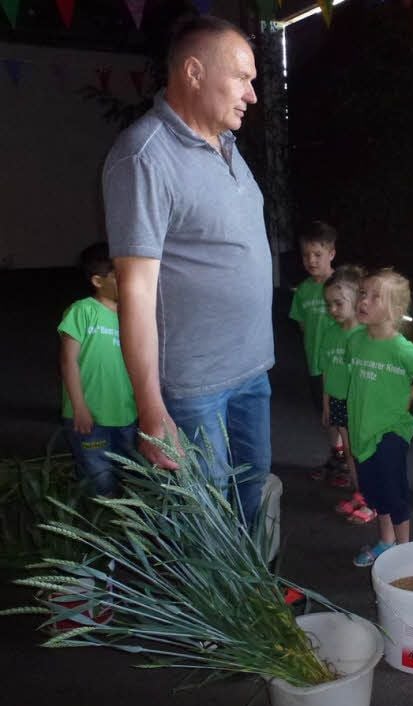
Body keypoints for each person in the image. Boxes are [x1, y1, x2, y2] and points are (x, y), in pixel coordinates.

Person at [102, 15, 272, 526]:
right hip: (194, 386)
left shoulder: (227, 145)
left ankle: (250, 598)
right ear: (194, 72)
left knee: (249, 489)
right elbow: (134, 291)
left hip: (251, 372)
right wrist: (152, 410)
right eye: (242, 78)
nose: (253, 95)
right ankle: (221, 603)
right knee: (205, 521)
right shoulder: (144, 157)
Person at [347, 269, 413, 567]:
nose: (364, 301)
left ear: (395, 310)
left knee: (394, 494)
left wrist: (409, 395)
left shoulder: (401, 348)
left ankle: (405, 551)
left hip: (391, 432)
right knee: (374, 491)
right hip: (363, 430)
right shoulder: (356, 340)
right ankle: (386, 542)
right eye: (363, 293)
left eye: (375, 297)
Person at [58, 243, 137, 497]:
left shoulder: (132, 315)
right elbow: (68, 361)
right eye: (118, 274)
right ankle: (101, 523)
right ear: (97, 280)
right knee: (98, 477)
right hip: (88, 416)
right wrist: (79, 407)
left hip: (126, 413)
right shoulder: (82, 311)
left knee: (130, 471)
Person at [290, 220, 341, 482]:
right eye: (306, 255)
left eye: (318, 254)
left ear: (331, 253)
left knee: (343, 415)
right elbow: (301, 323)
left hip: (340, 367)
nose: (311, 260)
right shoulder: (303, 291)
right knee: (326, 416)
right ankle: (337, 455)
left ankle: (348, 459)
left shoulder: (342, 287)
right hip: (316, 366)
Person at [320, 265, 366, 515]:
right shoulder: (330, 334)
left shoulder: (366, 337)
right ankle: (360, 493)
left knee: (363, 452)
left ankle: (372, 497)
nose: (332, 310)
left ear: (358, 298)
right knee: (349, 451)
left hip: (360, 405)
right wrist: (326, 403)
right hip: (338, 402)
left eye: (338, 303)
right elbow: (327, 370)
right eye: (329, 305)